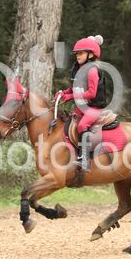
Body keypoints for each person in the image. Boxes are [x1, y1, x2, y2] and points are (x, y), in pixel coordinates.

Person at [54, 35, 108, 172]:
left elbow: (91, 93)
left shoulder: (92, 70)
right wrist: (63, 93)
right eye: (77, 53)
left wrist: (71, 96)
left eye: (81, 53)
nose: (78, 56)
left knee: (82, 125)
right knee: (69, 123)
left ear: (91, 54)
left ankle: (84, 159)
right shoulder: (77, 68)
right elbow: (73, 88)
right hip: (83, 107)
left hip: (94, 107)